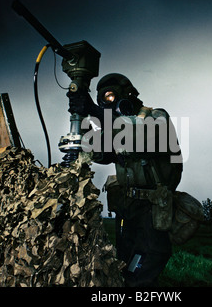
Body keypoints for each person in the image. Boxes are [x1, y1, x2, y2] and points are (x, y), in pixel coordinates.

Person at [67, 73, 183, 286]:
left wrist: (97, 112)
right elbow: (98, 150)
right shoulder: (114, 128)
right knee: (124, 262)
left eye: (111, 96)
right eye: (103, 100)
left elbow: (140, 137)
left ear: (128, 94)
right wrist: (84, 117)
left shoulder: (156, 116)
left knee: (147, 263)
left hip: (153, 205)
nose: (107, 104)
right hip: (127, 206)